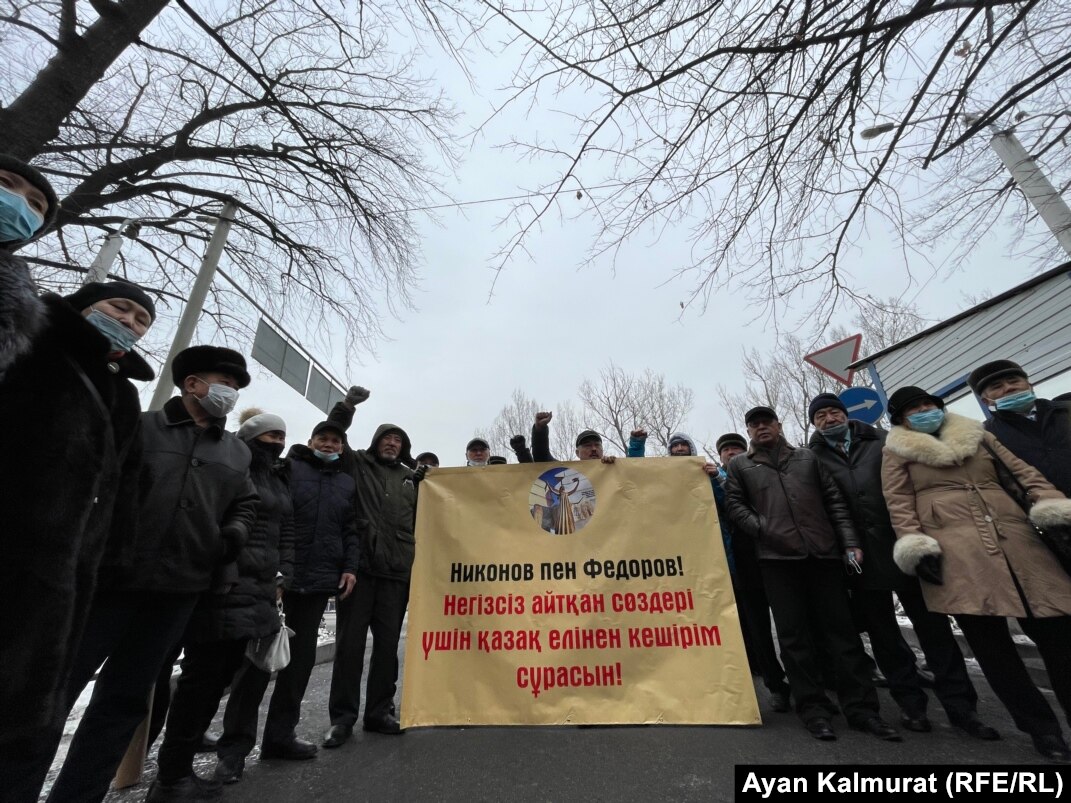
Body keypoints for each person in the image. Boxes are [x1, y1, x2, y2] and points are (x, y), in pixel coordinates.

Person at [0, 158, 164, 800]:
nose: (127, 323)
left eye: (140, 322)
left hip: (59, 590)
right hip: (18, 563)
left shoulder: (121, 399)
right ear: (84, 305)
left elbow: (119, 494)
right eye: (120, 309)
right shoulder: (31, 345)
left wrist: (109, 561)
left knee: (22, 731)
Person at [43, 346, 259, 803]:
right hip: (109, 584)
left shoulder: (237, 452)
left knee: (122, 703)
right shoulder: (138, 427)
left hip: (179, 589)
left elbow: (246, 503)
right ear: (192, 384)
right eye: (223, 383)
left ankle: (78, 794)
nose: (230, 394)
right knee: (54, 695)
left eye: (236, 389)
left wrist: (229, 539)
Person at [881, 385, 1071, 762]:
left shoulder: (978, 435)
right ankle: (1042, 730)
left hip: (1016, 539)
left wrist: (1055, 508)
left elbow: (1023, 473)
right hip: (956, 552)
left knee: (1060, 636)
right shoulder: (896, 451)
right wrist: (915, 545)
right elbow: (898, 501)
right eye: (913, 409)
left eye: (928, 405)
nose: (923, 411)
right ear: (902, 420)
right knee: (993, 649)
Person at [807, 392, 995, 739]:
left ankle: (962, 709)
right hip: (857, 559)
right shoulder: (811, 457)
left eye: (833, 412)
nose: (828, 419)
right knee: (884, 637)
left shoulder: (883, 440)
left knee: (934, 631)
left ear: (845, 414)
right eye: (820, 416)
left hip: (904, 548)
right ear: (813, 423)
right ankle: (911, 705)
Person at [725, 406, 899, 742]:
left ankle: (863, 711)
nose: (762, 428)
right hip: (776, 561)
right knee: (794, 639)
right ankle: (814, 710)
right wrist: (762, 528)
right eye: (754, 425)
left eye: (767, 422)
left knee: (843, 635)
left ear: (778, 425)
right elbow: (735, 505)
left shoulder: (807, 459)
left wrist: (848, 541)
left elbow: (835, 501)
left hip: (822, 557)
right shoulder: (741, 466)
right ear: (749, 431)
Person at [147, 409, 296, 800]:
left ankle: (177, 772)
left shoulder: (277, 476)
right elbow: (222, 520)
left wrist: (284, 572)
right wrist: (227, 565)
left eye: (282, 435)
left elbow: (285, 531)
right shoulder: (234, 465)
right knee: (201, 679)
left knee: (219, 679)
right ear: (251, 437)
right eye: (270, 435)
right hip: (223, 586)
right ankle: (169, 775)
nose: (278, 442)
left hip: (260, 589)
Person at [227, 419, 359, 764]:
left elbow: (350, 529)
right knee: (257, 665)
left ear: (342, 448)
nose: (329, 445)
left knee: (298, 666)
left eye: (335, 441)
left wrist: (349, 567)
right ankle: (234, 751)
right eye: (323, 439)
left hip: (318, 582)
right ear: (311, 440)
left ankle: (279, 738)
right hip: (277, 581)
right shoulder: (288, 469)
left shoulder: (346, 483)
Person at [322, 388, 418, 744]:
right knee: (349, 648)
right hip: (358, 571)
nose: (392, 443)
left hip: (395, 574)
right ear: (376, 441)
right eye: (387, 438)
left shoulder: (413, 479)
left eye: (398, 440)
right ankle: (342, 719)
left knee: (386, 649)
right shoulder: (357, 463)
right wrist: (345, 407)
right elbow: (332, 435)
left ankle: (379, 712)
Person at [712, 432, 791, 714]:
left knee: (789, 628)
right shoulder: (712, 479)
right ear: (719, 456)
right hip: (743, 565)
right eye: (726, 450)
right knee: (756, 630)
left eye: (736, 448)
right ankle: (775, 684)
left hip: (778, 558)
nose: (731, 453)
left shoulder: (760, 474)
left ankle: (806, 684)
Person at [969, 359, 1071, 496]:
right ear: (986, 401)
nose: (1009, 388)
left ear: (1030, 386)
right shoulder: (987, 437)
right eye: (997, 386)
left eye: (1014, 381)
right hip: (1049, 511)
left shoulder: (1066, 410)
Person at [530, 411, 617, 464]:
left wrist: (614, 467)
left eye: (597, 445)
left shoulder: (611, 468)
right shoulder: (568, 473)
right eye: (588, 445)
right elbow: (542, 458)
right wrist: (540, 429)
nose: (594, 449)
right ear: (577, 453)